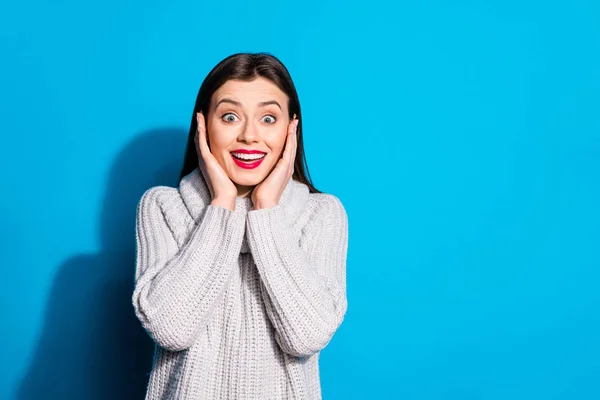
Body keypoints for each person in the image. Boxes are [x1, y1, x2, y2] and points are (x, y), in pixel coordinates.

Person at [132, 52, 349, 399]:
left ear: (291, 128)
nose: (249, 136)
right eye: (230, 116)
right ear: (203, 124)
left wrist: (265, 209)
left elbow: (307, 336)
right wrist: (222, 204)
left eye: (268, 118)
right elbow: (171, 329)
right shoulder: (162, 206)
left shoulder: (321, 214)